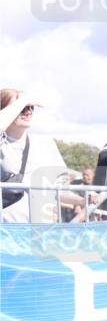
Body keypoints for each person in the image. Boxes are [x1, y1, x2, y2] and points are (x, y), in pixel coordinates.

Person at [1, 89, 83, 223]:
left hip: (41, 232)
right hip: (7, 232)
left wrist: (83, 199)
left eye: (31, 107)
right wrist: (23, 100)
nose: (28, 112)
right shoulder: (2, 144)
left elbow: (59, 190)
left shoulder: (46, 144)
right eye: (22, 108)